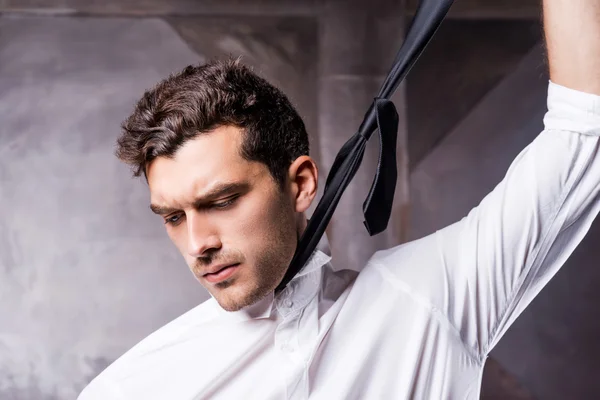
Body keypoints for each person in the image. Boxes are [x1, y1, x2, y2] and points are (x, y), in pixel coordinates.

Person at [78, 0, 600, 398]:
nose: (198, 244)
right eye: (173, 216)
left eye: (222, 201)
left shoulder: (430, 301)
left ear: (301, 183)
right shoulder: (136, 386)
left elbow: (585, 128)